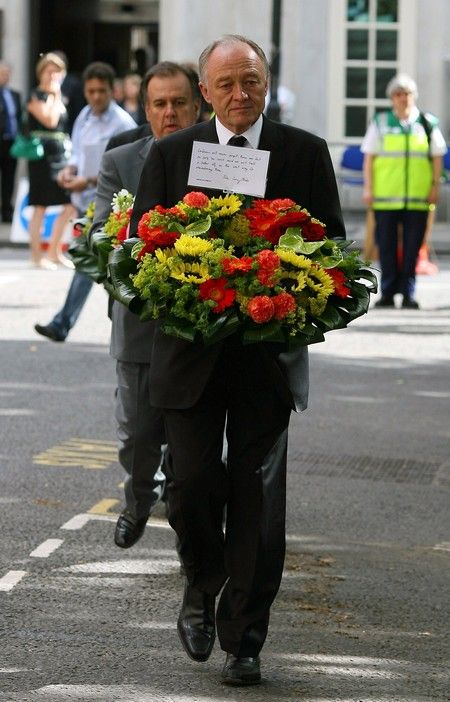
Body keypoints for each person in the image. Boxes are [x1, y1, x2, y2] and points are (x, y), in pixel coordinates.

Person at [129, 34, 345, 686]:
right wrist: (179, 290)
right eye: (225, 84)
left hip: (263, 360)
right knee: (191, 488)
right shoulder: (172, 155)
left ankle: (245, 637)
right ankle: (202, 585)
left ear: (266, 81)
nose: (240, 94)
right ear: (206, 91)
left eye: (250, 81)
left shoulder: (303, 153)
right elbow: (140, 255)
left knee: (258, 499)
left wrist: (297, 291)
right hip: (188, 359)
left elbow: (334, 249)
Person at [90, 61, 200, 548]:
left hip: (200, 326)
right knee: (137, 434)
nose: (170, 112)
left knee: (192, 446)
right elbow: (97, 232)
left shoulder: (220, 159)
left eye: (180, 103)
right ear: (147, 109)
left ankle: (189, 529)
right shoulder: (121, 159)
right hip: (138, 323)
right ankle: (138, 501)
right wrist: (125, 241)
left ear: (198, 107)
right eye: (160, 104)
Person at [34, 61, 136, 343]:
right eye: (91, 91)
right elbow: (77, 153)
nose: (96, 97)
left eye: (101, 91)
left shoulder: (123, 123)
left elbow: (125, 170)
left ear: (111, 91)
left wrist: (89, 180)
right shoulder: (84, 117)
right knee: (94, 264)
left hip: (112, 208)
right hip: (84, 203)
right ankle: (75, 323)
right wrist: (70, 170)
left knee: (94, 263)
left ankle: (65, 323)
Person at [361, 73, 447, 309]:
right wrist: (368, 188)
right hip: (385, 198)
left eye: (407, 94)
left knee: (412, 248)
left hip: (418, 199)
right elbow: (369, 158)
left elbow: (437, 157)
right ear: (391, 98)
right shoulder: (381, 123)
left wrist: (434, 187)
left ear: (414, 96)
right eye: (398, 94)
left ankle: (408, 293)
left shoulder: (427, 124)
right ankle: (388, 292)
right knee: (386, 246)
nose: (403, 98)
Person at [26, 52, 75, 268]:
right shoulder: (36, 96)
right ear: (41, 72)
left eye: (57, 71)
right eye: (49, 70)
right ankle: (36, 256)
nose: (53, 75)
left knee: (70, 203)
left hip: (60, 155)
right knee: (40, 206)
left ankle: (54, 250)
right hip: (41, 158)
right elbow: (50, 119)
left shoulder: (60, 96)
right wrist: (54, 95)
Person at [0, 60, 21, 223]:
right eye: (2, 73)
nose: (4, 77)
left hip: (12, 143)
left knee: (9, 178)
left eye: (7, 74)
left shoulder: (15, 95)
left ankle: (7, 210)